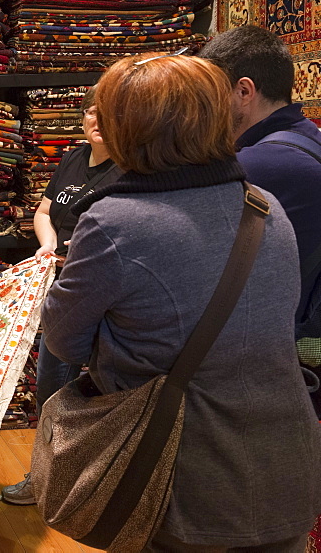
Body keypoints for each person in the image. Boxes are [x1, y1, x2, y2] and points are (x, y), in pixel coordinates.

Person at [42, 52, 321, 552]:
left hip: (179, 472)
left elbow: (64, 340)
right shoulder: (264, 205)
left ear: (129, 129)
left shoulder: (114, 222)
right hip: (283, 461)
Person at [1, 88, 122, 506]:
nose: (97, 121)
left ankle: (92, 484)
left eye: (105, 114)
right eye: (91, 112)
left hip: (106, 289)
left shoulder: (129, 169)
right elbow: (43, 211)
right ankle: (45, 477)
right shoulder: (73, 158)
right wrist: (48, 245)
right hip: (63, 285)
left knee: (106, 387)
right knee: (53, 381)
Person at [199, 27, 321, 404]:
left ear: (244, 91)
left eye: (211, 96)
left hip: (276, 361)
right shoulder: (309, 138)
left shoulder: (257, 165)